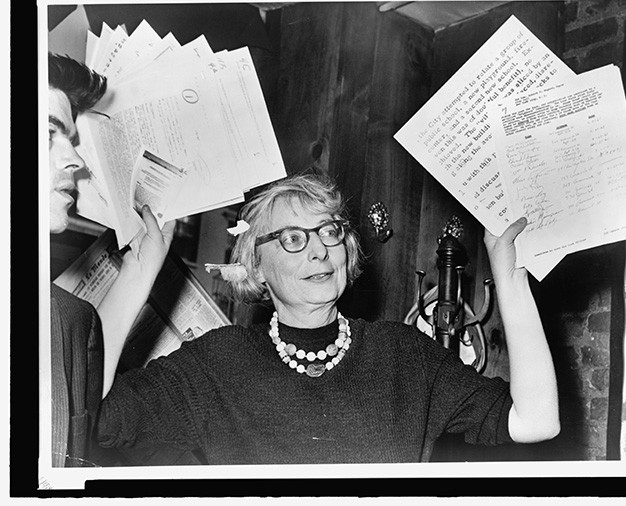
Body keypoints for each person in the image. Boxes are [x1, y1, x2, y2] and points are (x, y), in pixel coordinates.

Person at [96, 172, 559, 464]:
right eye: (293, 238)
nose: (319, 249)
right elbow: (87, 413)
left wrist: (511, 276)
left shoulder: (403, 354)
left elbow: (536, 421)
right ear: (256, 264)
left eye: (330, 231)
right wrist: (138, 272)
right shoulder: (216, 364)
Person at [48, 53, 175, 466]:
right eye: (48, 133)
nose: (76, 160)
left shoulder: (65, 314)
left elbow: (78, 400)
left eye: (70, 140)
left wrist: (141, 266)